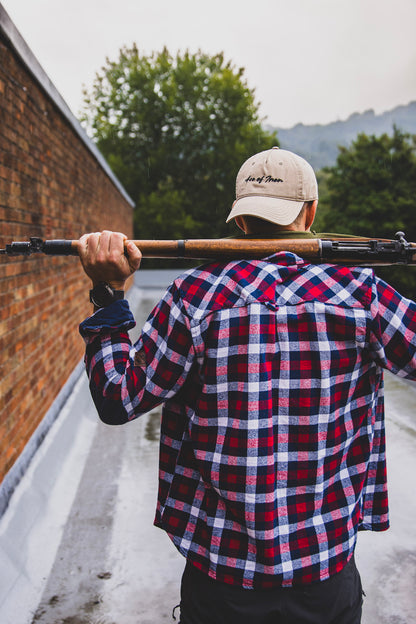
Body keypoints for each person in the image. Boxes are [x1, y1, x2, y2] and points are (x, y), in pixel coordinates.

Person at [78, 147, 416, 624]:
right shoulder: (364, 295)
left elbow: (118, 396)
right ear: (310, 211)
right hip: (325, 571)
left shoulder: (192, 297)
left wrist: (107, 295)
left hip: (220, 582)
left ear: (241, 220)